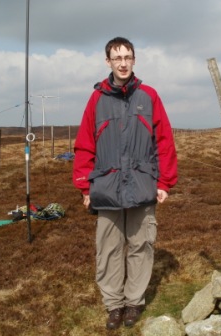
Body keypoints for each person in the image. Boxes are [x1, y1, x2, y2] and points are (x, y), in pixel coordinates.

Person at [72, 37, 178, 330]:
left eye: (127, 57)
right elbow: (84, 145)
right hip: (106, 188)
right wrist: (85, 187)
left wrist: (164, 182)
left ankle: (134, 303)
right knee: (108, 248)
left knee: (141, 245)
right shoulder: (97, 99)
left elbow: (165, 142)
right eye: (116, 58)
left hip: (142, 186)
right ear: (108, 62)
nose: (122, 63)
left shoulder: (149, 96)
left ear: (134, 60)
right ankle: (114, 305)